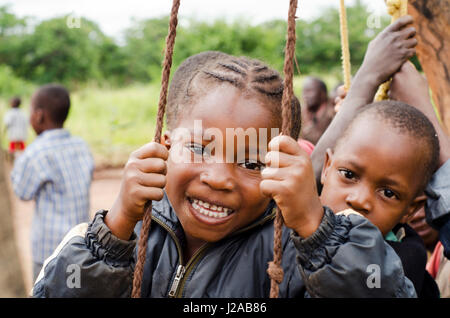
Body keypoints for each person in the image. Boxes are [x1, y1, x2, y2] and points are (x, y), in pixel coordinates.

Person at [33, 43, 416, 297]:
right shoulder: (116, 237)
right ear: (165, 147)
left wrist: (317, 231)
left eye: (251, 163)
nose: (218, 177)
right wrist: (114, 230)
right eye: (199, 148)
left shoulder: (302, 257)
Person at [318, 100, 440, 297]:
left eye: (388, 193)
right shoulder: (284, 223)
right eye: (348, 175)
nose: (359, 201)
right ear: (326, 168)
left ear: (409, 210)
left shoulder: (405, 265)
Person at [10, 84, 95, 282]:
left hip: (48, 250)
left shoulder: (36, 152)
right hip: (81, 244)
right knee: (74, 289)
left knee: (45, 291)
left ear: (38, 116)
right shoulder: (81, 145)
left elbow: (22, 192)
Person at [300, 77, 335, 145]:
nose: (305, 95)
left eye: (310, 91)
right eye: (304, 91)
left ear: (323, 94)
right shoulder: (302, 112)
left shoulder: (333, 112)